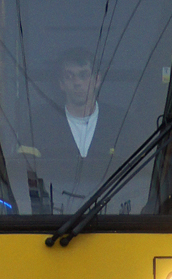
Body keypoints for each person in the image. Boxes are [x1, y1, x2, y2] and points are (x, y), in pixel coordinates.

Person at [23, 49, 122, 215]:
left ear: (97, 80)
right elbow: (25, 175)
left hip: (112, 218)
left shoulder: (121, 123)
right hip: (51, 218)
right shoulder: (39, 124)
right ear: (61, 84)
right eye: (70, 76)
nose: (77, 82)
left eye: (84, 75)